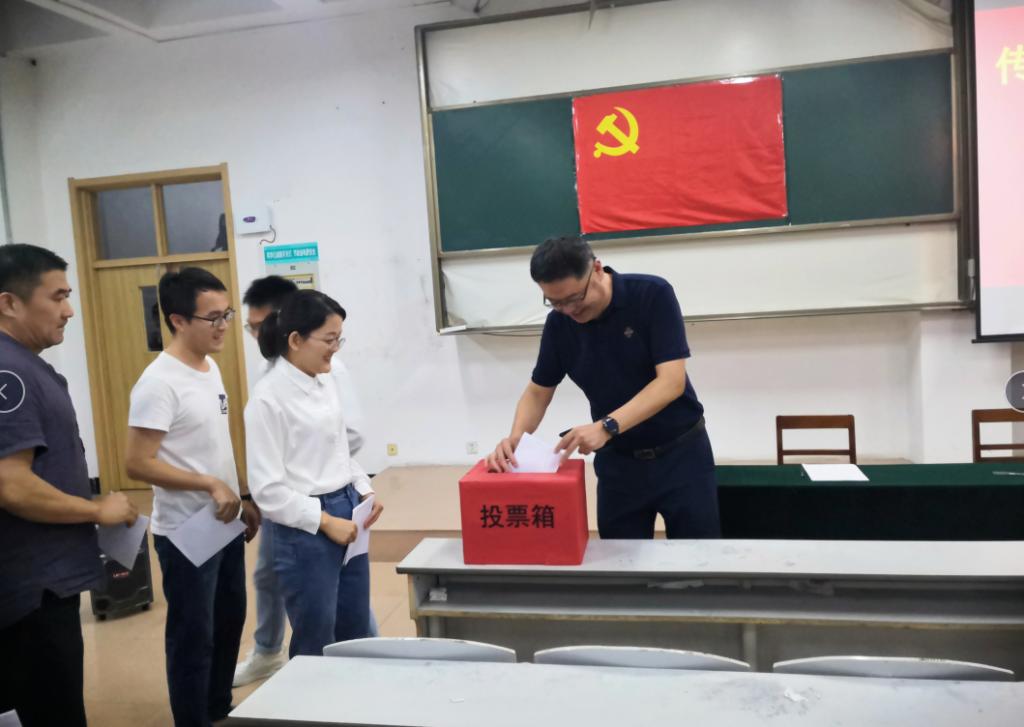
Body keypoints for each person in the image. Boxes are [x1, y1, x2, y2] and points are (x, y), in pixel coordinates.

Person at [485, 235, 720, 540]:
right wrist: (517, 439)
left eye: (574, 298)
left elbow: (670, 382)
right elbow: (538, 391)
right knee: (619, 562)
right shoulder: (559, 325)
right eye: (555, 302)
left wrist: (607, 426)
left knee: (700, 559)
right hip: (619, 465)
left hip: (682, 454)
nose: (568, 310)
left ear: (596, 269)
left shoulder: (651, 295)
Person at [0, 244, 138, 726]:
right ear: (9, 303)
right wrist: (97, 510)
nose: (69, 310)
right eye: (57, 297)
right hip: (31, 592)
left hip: (42, 583)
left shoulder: (25, 364)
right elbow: (12, 485)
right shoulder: (10, 372)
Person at [124, 267, 260, 727]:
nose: (223, 326)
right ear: (178, 321)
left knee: (228, 622)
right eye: (212, 317)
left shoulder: (209, 366)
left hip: (222, 523)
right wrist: (208, 484)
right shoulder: (158, 383)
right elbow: (137, 463)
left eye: (227, 314)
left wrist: (242, 495)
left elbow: (216, 444)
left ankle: (218, 708)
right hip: (186, 534)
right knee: (192, 635)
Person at [233, 276, 369, 685]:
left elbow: (339, 447)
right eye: (329, 339)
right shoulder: (267, 399)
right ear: (295, 340)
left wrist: (363, 488)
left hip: (347, 508)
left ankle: (356, 703)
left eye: (339, 339)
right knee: (315, 637)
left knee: (354, 627)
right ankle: (311, 706)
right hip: (306, 526)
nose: (335, 349)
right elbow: (268, 490)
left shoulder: (324, 380)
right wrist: (324, 521)